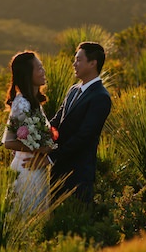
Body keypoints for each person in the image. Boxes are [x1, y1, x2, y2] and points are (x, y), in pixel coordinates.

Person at [47, 41, 112, 204]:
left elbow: (84, 136)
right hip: (57, 172)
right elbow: (56, 121)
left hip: (77, 175)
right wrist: (35, 141)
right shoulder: (73, 90)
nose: (74, 64)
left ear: (92, 63)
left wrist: (52, 157)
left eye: (78, 60)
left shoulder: (100, 97)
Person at [2, 51, 55, 212]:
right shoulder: (22, 104)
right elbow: (8, 142)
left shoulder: (33, 102)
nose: (43, 71)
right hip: (27, 169)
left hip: (37, 169)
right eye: (38, 68)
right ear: (27, 74)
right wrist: (40, 148)